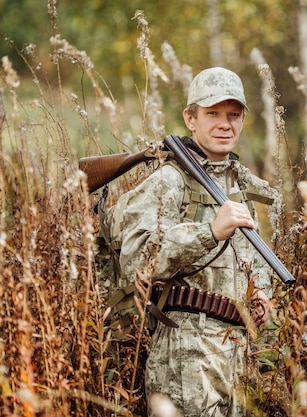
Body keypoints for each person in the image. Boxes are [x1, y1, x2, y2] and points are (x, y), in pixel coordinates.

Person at [108, 67, 275, 416]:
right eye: (212, 114)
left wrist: (259, 289)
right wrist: (209, 231)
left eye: (233, 115)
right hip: (185, 347)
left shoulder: (241, 185)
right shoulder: (170, 180)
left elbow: (250, 257)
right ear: (191, 118)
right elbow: (138, 258)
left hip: (236, 347)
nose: (224, 124)